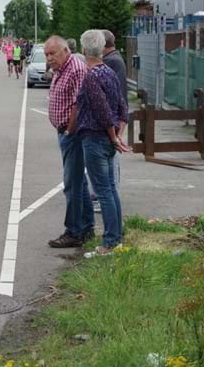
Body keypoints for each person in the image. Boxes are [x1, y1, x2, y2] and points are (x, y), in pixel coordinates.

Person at [77, 30, 130, 255]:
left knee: (103, 191)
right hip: (107, 139)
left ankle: (110, 243)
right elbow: (122, 107)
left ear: (83, 49)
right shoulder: (109, 72)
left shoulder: (90, 76)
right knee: (110, 190)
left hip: (95, 138)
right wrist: (117, 134)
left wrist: (112, 136)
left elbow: (102, 111)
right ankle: (116, 237)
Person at [44, 35, 95, 248]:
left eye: (52, 53)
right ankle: (86, 227)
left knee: (72, 184)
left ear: (65, 51)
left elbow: (78, 104)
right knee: (78, 182)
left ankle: (74, 231)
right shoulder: (61, 68)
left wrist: (69, 130)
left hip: (72, 134)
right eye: (47, 54)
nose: (49, 58)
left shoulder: (75, 69)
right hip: (65, 132)